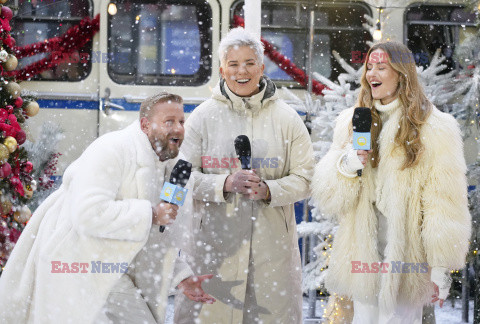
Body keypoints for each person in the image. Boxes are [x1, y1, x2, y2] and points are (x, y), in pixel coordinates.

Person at [0, 92, 215, 324]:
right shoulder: (111, 149)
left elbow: (160, 237)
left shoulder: (175, 169)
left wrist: (180, 277)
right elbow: (87, 214)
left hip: (115, 265)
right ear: (145, 125)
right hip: (79, 261)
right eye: (169, 122)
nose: (178, 129)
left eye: (181, 122)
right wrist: (150, 214)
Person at [311, 41, 471, 323]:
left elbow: (444, 202)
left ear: (402, 74)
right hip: (363, 258)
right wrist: (348, 165)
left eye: (381, 67)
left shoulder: (434, 127)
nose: (372, 72)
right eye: (369, 67)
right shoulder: (352, 121)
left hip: (408, 262)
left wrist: (440, 268)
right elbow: (329, 197)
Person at [174, 27, 314, 323]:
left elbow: (306, 180)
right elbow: (178, 178)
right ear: (222, 69)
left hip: (271, 253)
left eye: (250, 63)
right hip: (213, 250)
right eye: (234, 64)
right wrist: (223, 183)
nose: (242, 71)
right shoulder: (201, 118)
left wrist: (269, 190)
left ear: (262, 68)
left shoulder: (287, 119)